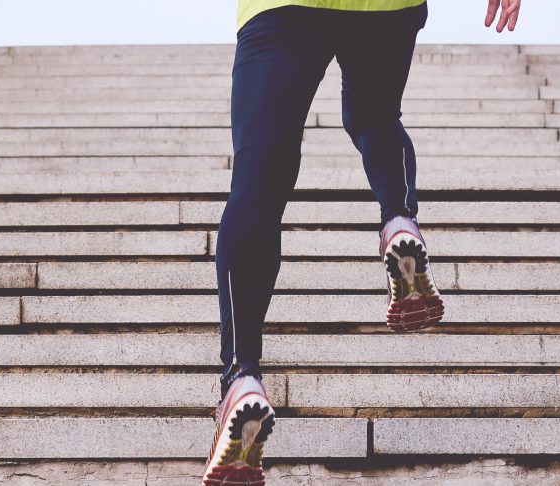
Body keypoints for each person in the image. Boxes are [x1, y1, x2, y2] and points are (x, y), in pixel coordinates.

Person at [201, 0, 522, 483]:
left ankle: (240, 375)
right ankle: (398, 219)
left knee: (259, 177)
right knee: (376, 116)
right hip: (385, 8)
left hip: (283, 9)